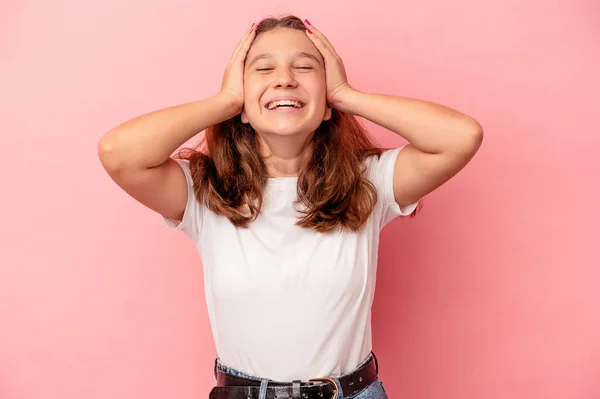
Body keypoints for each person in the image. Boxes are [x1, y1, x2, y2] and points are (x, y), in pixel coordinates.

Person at [98, 15, 483, 399]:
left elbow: (461, 137)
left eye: (304, 66)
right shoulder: (204, 191)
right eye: (263, 68)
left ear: (327, 98)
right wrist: (225, 101)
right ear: (243, 104)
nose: (284, 78)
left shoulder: (370, 181)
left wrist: (348, 95)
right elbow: (119, 153)